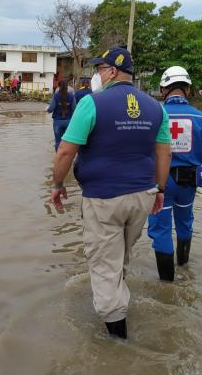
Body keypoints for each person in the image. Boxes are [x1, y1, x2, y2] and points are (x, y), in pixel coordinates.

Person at [50, 47, 172, 339]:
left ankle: (118, 342)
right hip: (143, 195)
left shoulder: (92, 103)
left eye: (101, 69)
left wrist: (56, 185)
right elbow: (164, 153)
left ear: (113, 71)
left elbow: (66, 150)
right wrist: (160, 189)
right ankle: (118, 298)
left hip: (104, 199)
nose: (98, 75)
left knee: (104, 264)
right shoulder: (157, 108)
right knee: (121, 256)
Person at [147, 66, 202, 281]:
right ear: (187, 89)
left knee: (161, 228)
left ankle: (167, 285)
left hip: (159, 181)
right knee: (185, 222)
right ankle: (184, 266)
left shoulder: (154, 114)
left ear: (163, 89)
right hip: (188, 182)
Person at [46, 80, 76, 151]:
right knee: (68, 142)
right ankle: (67, 158)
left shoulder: (55, 96)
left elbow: (51, 109)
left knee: (58, 142)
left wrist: (47, 109)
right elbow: (75, 109)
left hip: (57, 122)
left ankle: (58, 158)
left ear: (58, 87)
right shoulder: (71, 96)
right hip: (69, 122)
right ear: (67, 87)